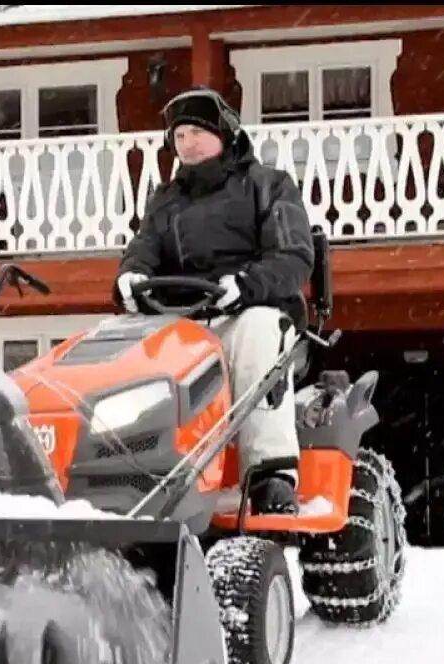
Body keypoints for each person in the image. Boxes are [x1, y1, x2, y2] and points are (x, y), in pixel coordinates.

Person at [112, 86, 315, 515]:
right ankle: (129, 472)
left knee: (259, 330)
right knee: (118, 344)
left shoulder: (268, 186)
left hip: (249, 311)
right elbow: (143, 248)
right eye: (179, 136)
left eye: (196, 133)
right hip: (181, 319)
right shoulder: (166, 200)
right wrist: (131, 278)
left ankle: (270, 472)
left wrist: (244, 285)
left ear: (225, 133)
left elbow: (294, 257)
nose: (186, 144)